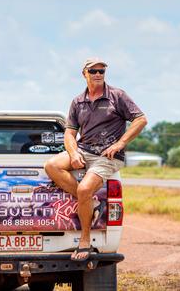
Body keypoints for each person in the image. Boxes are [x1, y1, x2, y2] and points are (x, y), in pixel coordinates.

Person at [44, 57, 147, 262]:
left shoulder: (117, 96)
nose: (98, 74)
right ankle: (89, 202)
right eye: (94, 71)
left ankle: (85, 241)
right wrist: (73, 153)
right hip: (84, 149)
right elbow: (70, 133)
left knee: (83, 189)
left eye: (102, 71)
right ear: (85, 74)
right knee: (51, 165)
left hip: (108, 156)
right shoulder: (77, 102)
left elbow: (141, 119)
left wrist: (120, 144)